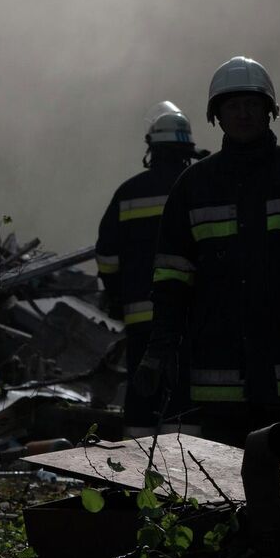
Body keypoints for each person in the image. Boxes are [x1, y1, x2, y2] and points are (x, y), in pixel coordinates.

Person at [141, 57, 280, 461]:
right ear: (216, 116)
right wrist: (161, 347)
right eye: (232, 105)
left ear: (269, 111)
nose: (243, 113)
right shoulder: (193, 187)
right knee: (226, 486)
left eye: (252, 104)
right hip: (220, 377)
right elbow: (171, 280)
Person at [97, 102, 198, 434]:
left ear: (152, 148)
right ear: (187, 149)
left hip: (142, 320)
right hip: (191, 317)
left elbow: (107, 256)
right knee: (185, 396)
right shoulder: (200, 188)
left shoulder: (129, 193)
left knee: (142, 393)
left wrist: (116, 296)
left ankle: (137, 463)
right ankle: (185, 463)